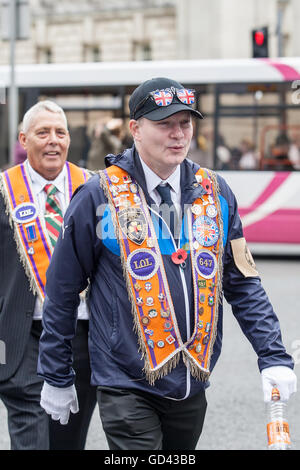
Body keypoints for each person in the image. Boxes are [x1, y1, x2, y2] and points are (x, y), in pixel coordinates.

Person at [38, 78, 297, 451]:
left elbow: (242, 282)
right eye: (164, 124)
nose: (178, 135)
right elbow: (62, 290)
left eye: (185, 124)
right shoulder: (98, 196)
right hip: (125, 381)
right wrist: (56, 374)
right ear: (135, 129)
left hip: (191, 380)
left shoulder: (215, 191)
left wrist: (272, 355)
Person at [0, 100, 97, 450]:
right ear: (24, 140)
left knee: (70, 435)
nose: (53, 140)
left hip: (82, 332)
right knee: (30, 427)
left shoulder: (94, 189)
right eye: (43, 133)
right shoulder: (3, 190)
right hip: (23, 333)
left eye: (60, 132)